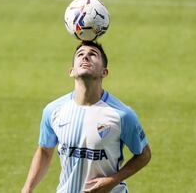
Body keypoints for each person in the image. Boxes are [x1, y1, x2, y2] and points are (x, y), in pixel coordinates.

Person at [21, 41, 151, 193]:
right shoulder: (53, 110)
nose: (85, 57)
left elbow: (144, 154)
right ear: (71, 71)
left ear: (104, 72)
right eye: (80, 54)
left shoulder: (122, 114)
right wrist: (27, 188)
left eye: (93, 55)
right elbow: (44, 151)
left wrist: (113, 180)